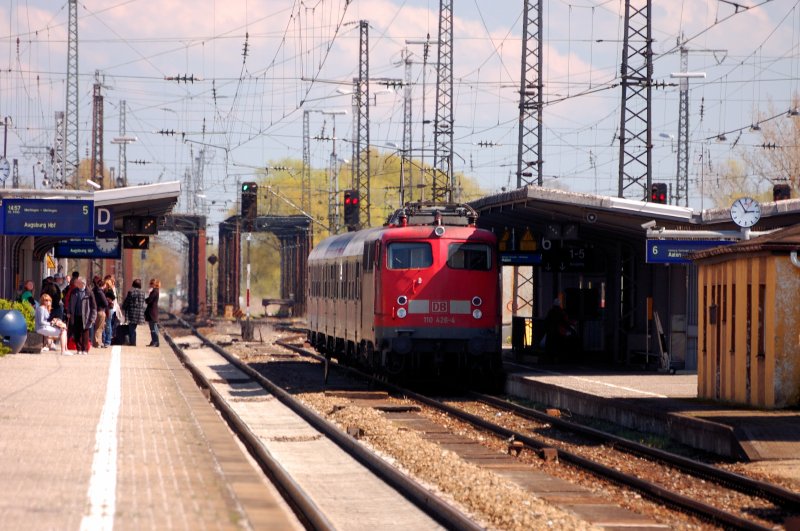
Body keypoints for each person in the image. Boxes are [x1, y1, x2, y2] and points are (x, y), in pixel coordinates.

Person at [66, 276, 97, 355]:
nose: (76, 284)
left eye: (78, 282)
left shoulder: (89, 292)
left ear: (83, 283)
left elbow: (94, 307)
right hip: (75, 315)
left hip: (86, 316)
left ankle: (85, 349)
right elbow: (70, 303)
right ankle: (79, 348)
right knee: (76, 333)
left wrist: (92, 317)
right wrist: (69, 312)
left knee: (85, 333)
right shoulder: (74, 291)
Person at [121, 278, 146, 347]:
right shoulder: (142, 292)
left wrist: (123, 307)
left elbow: (127, 301)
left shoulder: (131, 292)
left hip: (132, 313)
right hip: (140, 313)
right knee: (133, 328)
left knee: (132, 328)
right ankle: (132, 341)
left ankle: (132, 342)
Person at [92, 276, 109, 349]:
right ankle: (97, 342)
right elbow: (105, 303)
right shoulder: (100, 292)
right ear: (103, 285)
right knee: (99, 327)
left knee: (97, 327)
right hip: (100, 311)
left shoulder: (94, 290)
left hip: (95, 310)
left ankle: (98, 342)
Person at [102, 276, 118, 347]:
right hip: (105, 308)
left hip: (109, 309)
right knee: (104, 325)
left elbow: (113, 298)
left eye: (105, 284)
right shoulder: (104, 290)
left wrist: (107, 298)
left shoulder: (110, 291)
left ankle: (108, 341)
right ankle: (104, 340)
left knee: (108, 325)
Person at [145, 278, 161, 347]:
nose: (150, 285)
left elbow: (149, 300)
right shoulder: (156, 291)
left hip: (152, 312)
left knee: (153, 328)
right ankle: (154, 341)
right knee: (154, 328)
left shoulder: (154, 291)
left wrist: (146, 298)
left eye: (151, 284)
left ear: (154, 284)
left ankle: (155, 341)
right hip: (153, 312)